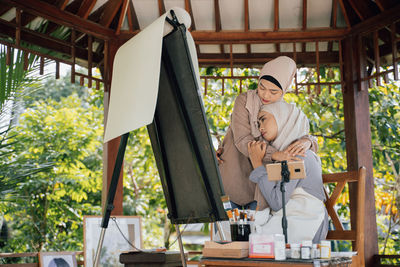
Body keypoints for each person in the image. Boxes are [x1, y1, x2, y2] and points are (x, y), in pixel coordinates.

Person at [217, 56, 318, 210]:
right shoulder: (244, 101)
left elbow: (299, 132)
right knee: (229, 231)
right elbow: (243, 140)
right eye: (262, 87)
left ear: (284, 90)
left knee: (258, 233)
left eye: (273, 92)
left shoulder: (286, 111)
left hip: (263, 187)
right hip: (235, 176)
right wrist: (275, 155)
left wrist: (308, 141)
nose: (265, 95)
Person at [247, 102, 328, 243]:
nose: (260, 127)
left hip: (304, 224)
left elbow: (277, 202)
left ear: (283, 117)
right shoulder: (286, 154)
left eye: (264, 119)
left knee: (247, 241)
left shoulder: (297, 154)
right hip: (293, 221)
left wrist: (257, 164)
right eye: (258, 123)